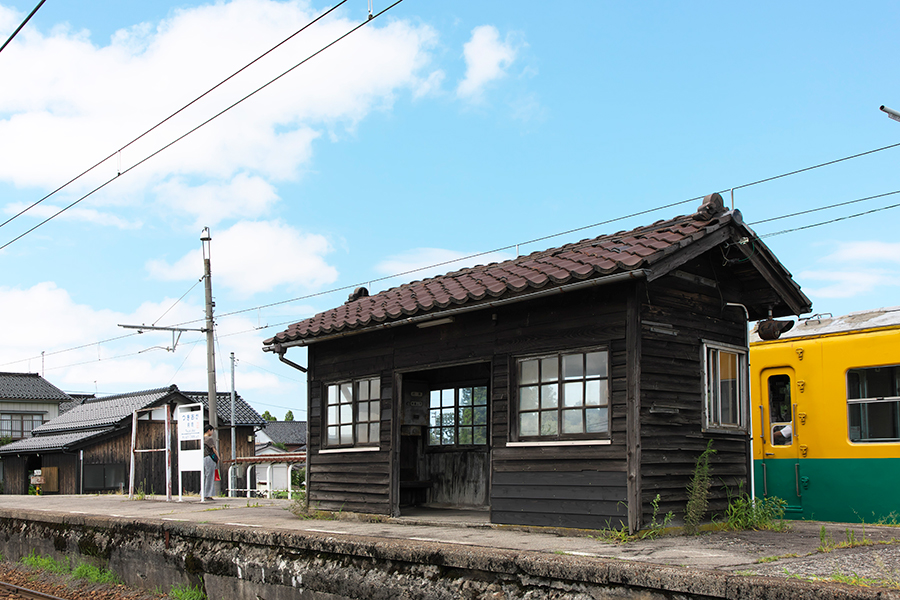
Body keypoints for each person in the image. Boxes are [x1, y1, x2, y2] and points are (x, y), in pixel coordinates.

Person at [202, 424, 218, 500]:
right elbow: (214, 449)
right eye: (212, 431)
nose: (212, 432)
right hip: (209, 458)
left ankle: (203, 493)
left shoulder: (201, 439)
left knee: (205, 476)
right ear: (209, 430)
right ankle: (207, 494)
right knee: (210, 476)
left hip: (203, 458)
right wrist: (218, 457)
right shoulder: (209, 439)